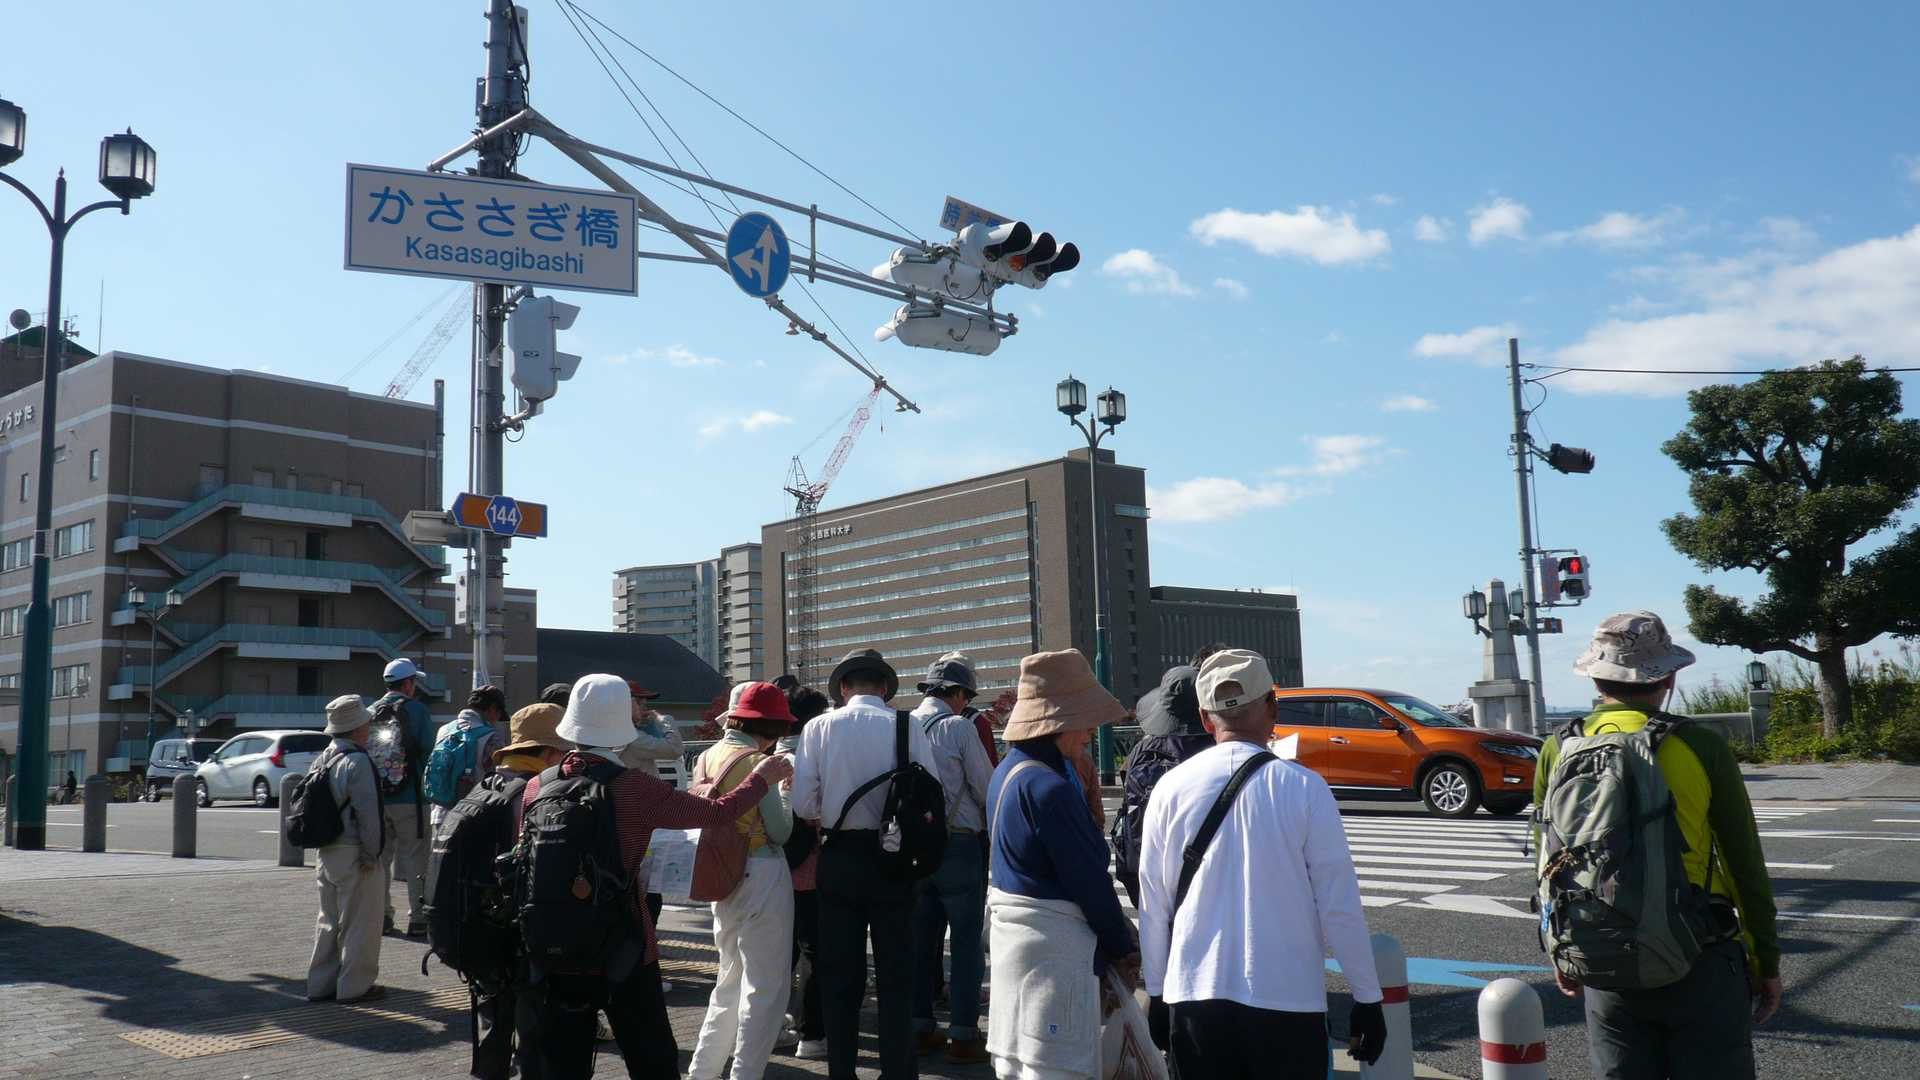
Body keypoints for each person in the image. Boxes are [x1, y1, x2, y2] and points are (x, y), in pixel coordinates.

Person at [1539, 611, 1782, 1080]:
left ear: (1596, 677)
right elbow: (1743, 863)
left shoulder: (1559, 748)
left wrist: (1560, 947)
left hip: (1606, 953)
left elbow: (1549, 861)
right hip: (1700, 956)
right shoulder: (1699, 745)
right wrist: (1765, 960)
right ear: (1668, 677)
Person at [520, 673, 793, 1080]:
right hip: (624, 941)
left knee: (563, 1063)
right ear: (620, 723)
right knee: (653, 1060)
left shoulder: (537, 786)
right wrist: (761, 781)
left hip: (552, 942)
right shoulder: (634, 787)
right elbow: (714, 814)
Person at [1137, 648, 1385, 1078]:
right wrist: (1367, 997)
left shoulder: (1170, 788)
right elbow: (1339, 905)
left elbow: (1153, 904)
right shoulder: (1305, 788)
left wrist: (1157, 992)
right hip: (1288, 999)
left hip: (1194, 997)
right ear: (1272, 705)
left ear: (1205, 717)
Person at [984, 649, 1140, 1080]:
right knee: (1057, 1066)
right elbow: (1088, 882)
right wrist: (1120, 944)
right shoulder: (1050, 788)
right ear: (1057, 723)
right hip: (1055, 958)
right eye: (1084, 719)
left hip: (1016, 950)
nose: (1090, 731)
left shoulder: (1007, 773)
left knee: (1023, 1064)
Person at [789, 649, 939, 1080]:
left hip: (839, 857)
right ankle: (898, 1072)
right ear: (885, 687)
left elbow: (803, 804)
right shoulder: (907, 725)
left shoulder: (819, 727)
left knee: (840, 973)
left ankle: (842, 1070)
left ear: (843, 687)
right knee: (896, 973)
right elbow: (931, 793)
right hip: (894, 858)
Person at [688, 683, 798, 1080]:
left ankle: (702, 1071)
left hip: (722, 873)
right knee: (765, 987)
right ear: (773, 727)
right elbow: (780, 831)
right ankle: (745, 1073)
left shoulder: (706, 757)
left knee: (728, 980)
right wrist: (785, 793)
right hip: (762, 872)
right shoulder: (758, 763)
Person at [470, 701, 573, 1080]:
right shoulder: (534, 792)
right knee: (531, 1030)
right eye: (563, 751)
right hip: (519, 930)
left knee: (493, 1022)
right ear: (548, 753)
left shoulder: (484, 786)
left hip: (479, 925)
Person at [906, 657, 995, 1064]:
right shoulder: (958, 727)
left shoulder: (902, 725)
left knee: (920, 941)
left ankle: (919, 1028)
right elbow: (986, 786)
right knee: (965, 942)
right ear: (957, 694)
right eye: (965, 697)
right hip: (958, 842)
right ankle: (963, 1035)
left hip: (914, 847)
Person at [306, 695, 387, 1004]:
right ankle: (355, 986)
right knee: (360, 922)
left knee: (328, 921)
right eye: (366, 722)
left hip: (326, 851)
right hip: (354, 851)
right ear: (357, 727)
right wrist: (372, 853)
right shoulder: (358, 761)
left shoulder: (322, 759)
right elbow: (369, 814)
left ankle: (319, 984)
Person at [780, 685, 832, 1061]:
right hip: (810, 871)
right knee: (814, 952)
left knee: (777, 954)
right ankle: (811, 1034)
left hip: (770, 871)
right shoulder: (812, 759)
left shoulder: (765, 757)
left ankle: (770, 1026)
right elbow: (817, 814)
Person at [370, 657, 438, 937]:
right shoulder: (417, 710)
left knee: (380, 860)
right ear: (408, 683)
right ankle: (418, 918)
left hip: (378, 798)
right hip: (411, 796)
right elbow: (429, 749)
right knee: (415, 858)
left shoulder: (370, 711)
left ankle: (382, 916)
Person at [428, 685, 509, 829]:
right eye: (499, 714)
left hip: (440, 814)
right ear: (492, 708)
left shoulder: (444, 731)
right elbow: (501, 780)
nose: (497, 720)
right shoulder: (491, 737)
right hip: (472, 817)